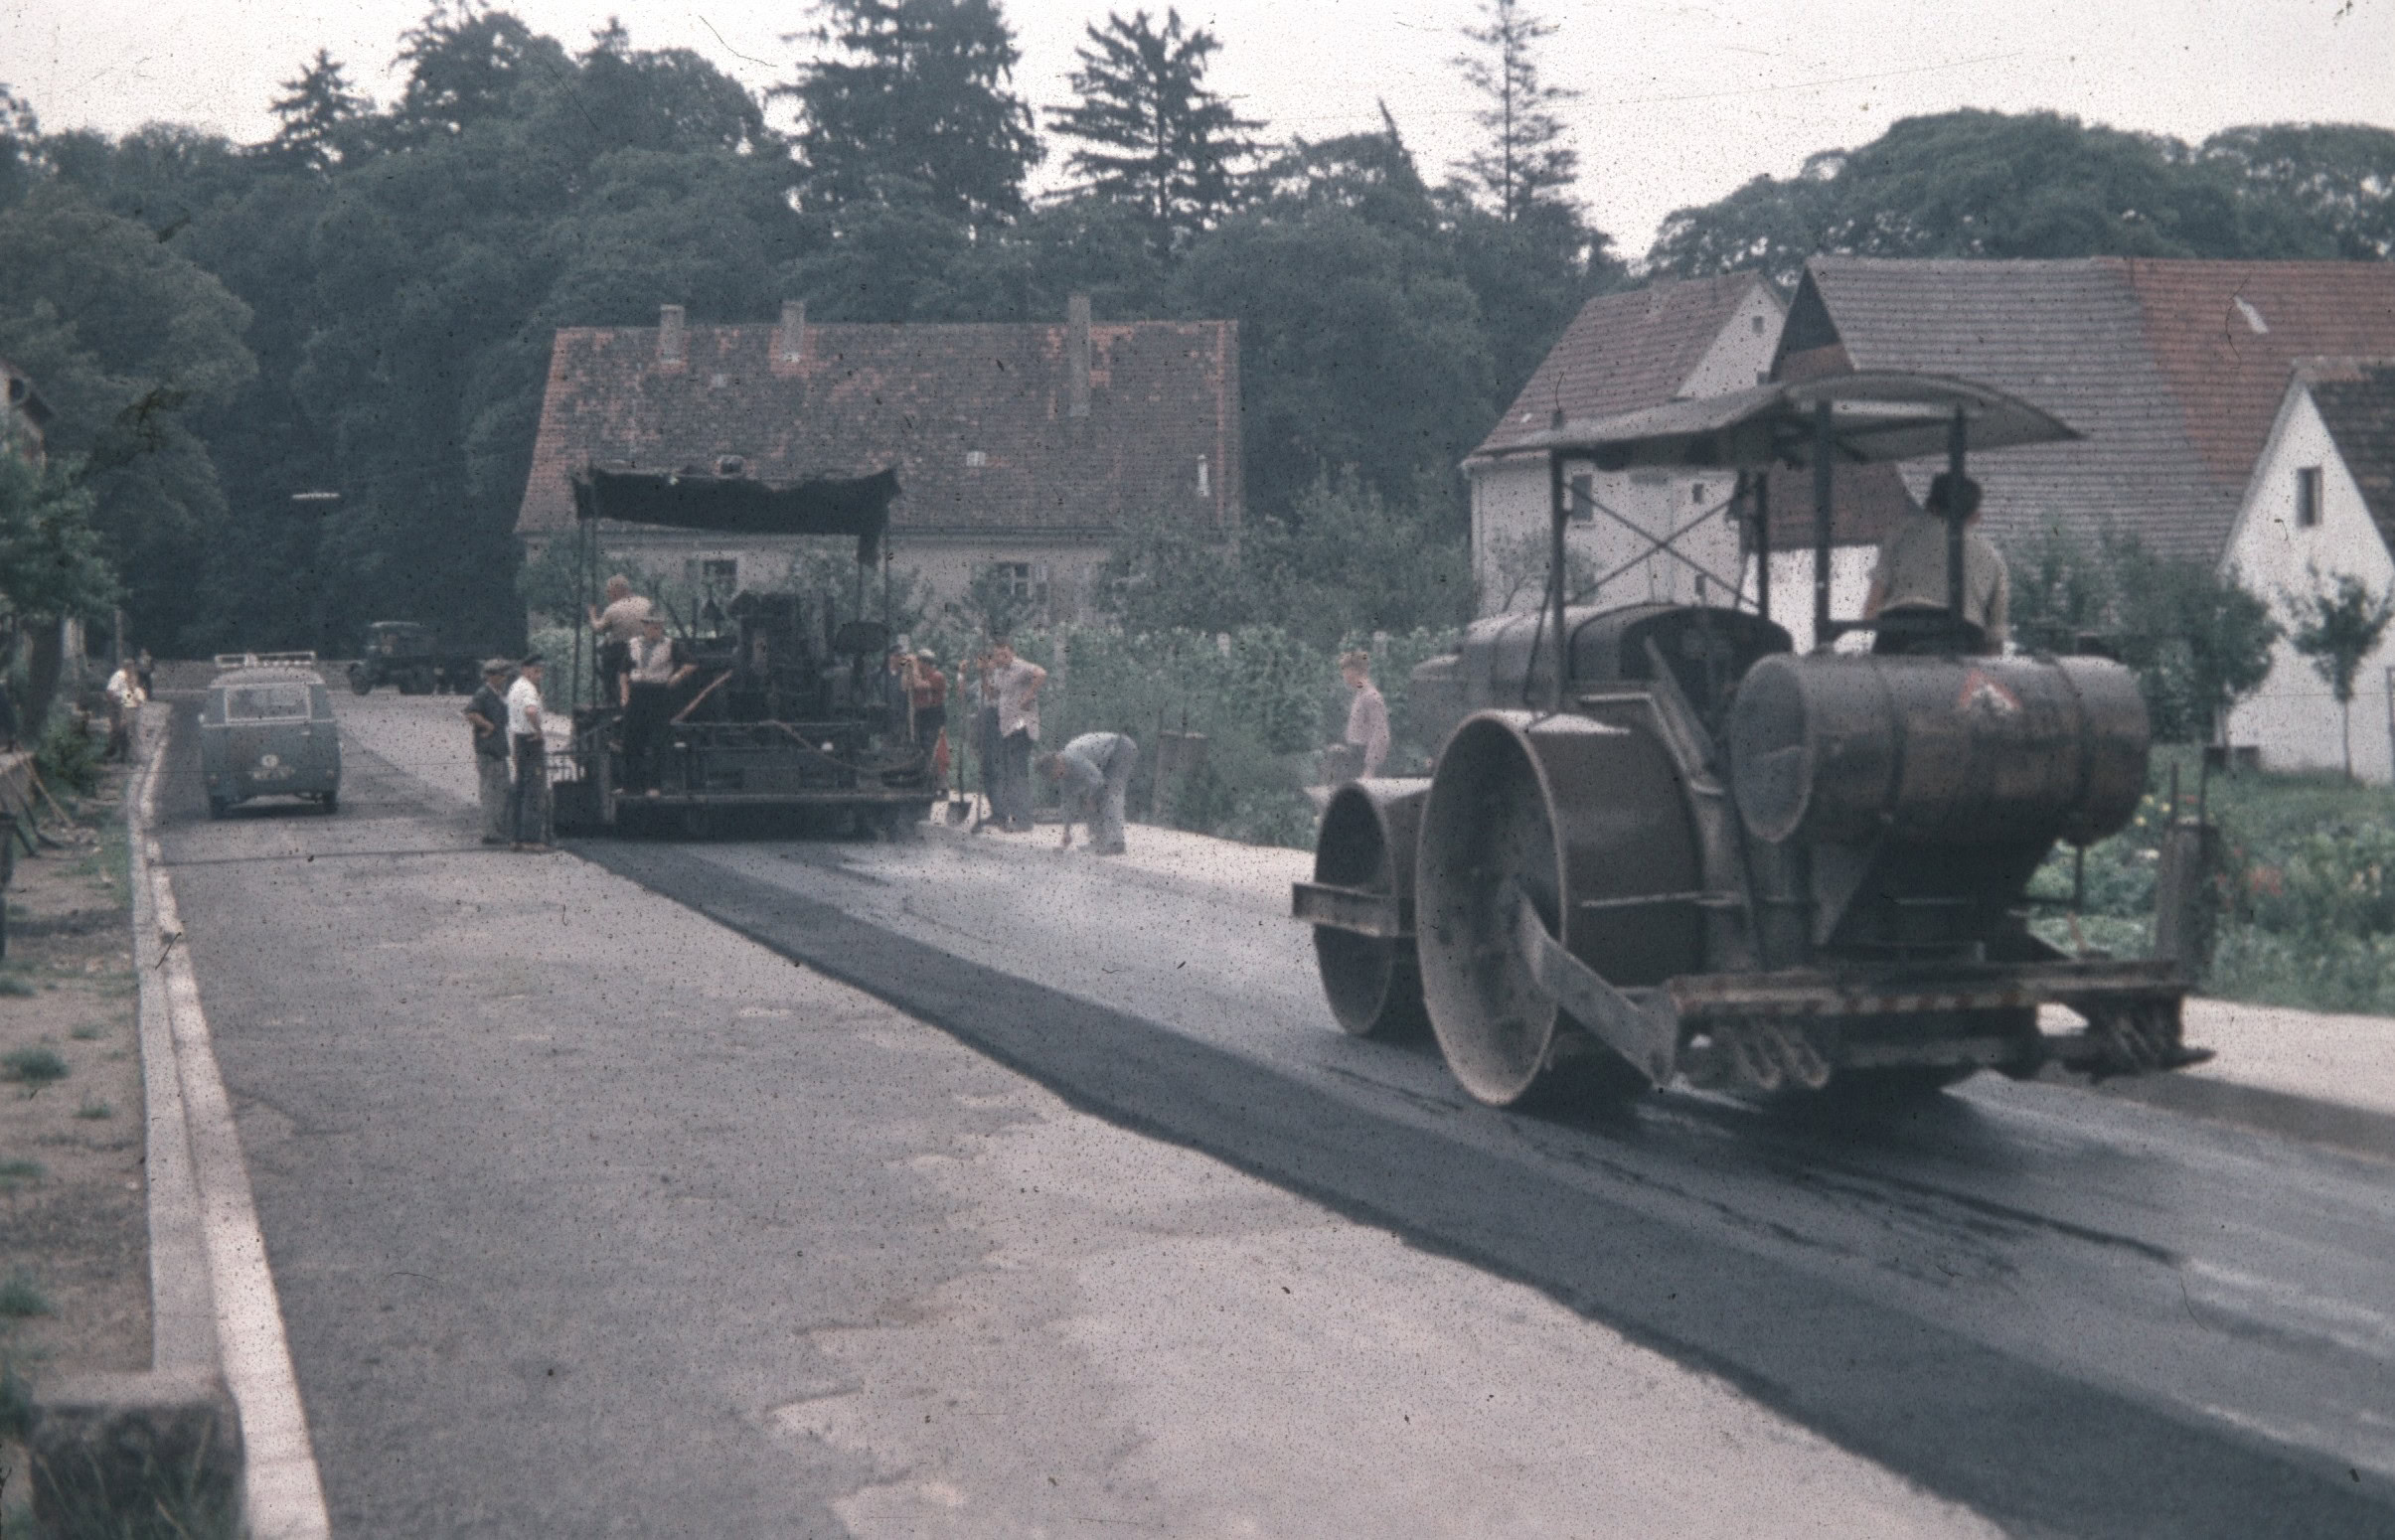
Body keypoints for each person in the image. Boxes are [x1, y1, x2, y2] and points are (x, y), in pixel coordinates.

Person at [1864, 471, 2008, 655]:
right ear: (1975, 517)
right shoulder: (1992, 557)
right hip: (1964, 641)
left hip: (1900, 634)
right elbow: (1995, 638)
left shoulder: (1901, 536)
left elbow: (1870, 609)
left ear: (1928, 505)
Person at [621, 614, 696, 795]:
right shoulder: (633, 644)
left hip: (658, 693)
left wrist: (677, 676)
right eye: (652, 626)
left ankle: (655, 785)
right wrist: (625, 695)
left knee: (659, 740)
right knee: (631, 739)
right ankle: (631, 785)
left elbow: (691, 664)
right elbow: (623, 671)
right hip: (637, 693)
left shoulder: (671, 645)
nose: (656, 630)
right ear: (645, 627)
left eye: (659, 627)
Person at [983, 638, 1046, 833]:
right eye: (998, 655)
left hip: (1022, 725)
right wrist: (984, 674)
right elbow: (992, 694)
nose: (1001, 658)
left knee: (1017, 772)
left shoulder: (1020, 667)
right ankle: (1015, 815)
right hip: (1007, 727)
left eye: (1005, 654)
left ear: (1012, 653)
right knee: (1010, 772)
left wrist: (1029, 693)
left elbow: (1041, 673)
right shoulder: (999, 673)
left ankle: (1023, 820)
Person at [1039, 732, 1139, 854]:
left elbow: (1097, 780)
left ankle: (1117, 843)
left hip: (1121, 748)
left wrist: (1090, 797)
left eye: (1057, 774)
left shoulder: (1074, 758)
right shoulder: (1064, 775)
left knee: (1111, 794)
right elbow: (1068, 804)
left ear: (1057, 762)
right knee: (1089, 801)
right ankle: (1098, 841)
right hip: (1105, 760)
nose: (1059, 778)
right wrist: (1066, 831)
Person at [463, 659, 516, 846]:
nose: (504, 679)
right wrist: (488, 726)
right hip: (489, 751)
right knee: (491, 793)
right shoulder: (484, 694)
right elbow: (470, 713)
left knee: (501, 792)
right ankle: (490, 832)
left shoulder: (496, 694)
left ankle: (498, 829)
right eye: (501, 675)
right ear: (491, 676)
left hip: (498, 750)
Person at [506, 654, 552, 851]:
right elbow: (531, 711)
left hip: (518, 739)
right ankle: (532, 840)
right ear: (524, 670)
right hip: (531, 741)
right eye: (535, 671)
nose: (539, 675)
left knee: (519, 789)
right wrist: (538, 731)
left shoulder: (515, 686)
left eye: (541, 672)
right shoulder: (528, 689)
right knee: (534, 791)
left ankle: (515, 838)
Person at [587, 575, 653, 703]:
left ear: (617, 590)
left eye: (609, 591)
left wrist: (592, 615)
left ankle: (611, 695)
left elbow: (598, 628)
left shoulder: (613, 609)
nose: (608, 595)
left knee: (606, 657)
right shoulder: (646, 603)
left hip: (621, 651)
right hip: (646, 648)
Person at [1336, 650, 1390, 781]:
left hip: (1365, 762)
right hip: (1355, 757)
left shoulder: (1371, 697)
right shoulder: (1360, 694)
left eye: (1345, 670)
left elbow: (1380, 733)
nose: (1343, 675)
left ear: (1354, 671)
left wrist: (1370, 769)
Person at [903, 649, 949, 792]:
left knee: (933, 749)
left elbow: (920, 685)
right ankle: (922, 779)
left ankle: (938, 782)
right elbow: (905, 686)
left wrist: (914, 668)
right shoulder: (918, 675)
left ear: (925, 663)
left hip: (933, 716)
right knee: (919, 748)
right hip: (920, 716)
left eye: (919, 662)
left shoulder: (937, 676)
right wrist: (906, 670)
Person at [102, 658, 144, 762]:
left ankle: (125, 756)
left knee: (127, 731)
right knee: (119, 730)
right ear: (126, 667)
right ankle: (111, 754)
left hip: (127, 706)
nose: (132, 669)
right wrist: (118, 704)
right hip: (116, 706)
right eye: (130, 667)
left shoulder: (131, 676)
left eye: (133, 666)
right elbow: (109, 692)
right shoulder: (118, 676)